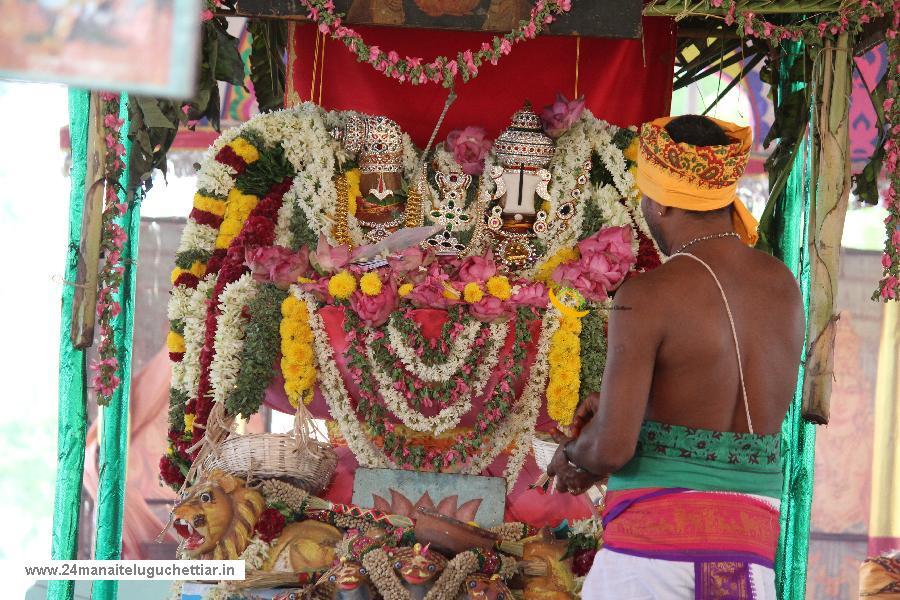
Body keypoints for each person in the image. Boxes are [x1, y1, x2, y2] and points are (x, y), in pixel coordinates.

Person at [547, 114, 805, 599]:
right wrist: (620, 412)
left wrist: (573, 454)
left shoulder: (648, 294)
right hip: (747, 558)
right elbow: (710, 406)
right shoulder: (783, 288)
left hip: (651, 558)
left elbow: (612, 450)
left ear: (662, 199)